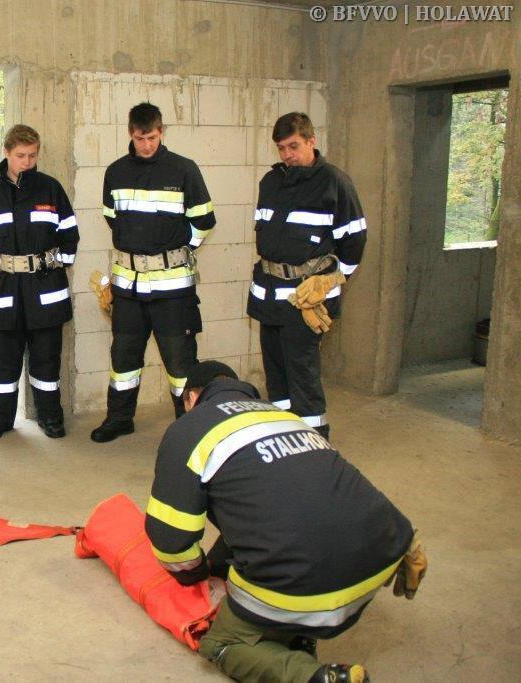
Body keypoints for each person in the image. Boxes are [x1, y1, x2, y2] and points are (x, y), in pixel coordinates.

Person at [146, 361, 426, 683]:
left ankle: (316, 676)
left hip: (307, 583)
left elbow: (170, 539)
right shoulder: (285, 417)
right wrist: (405, 538)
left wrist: (196, 577)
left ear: (192, 397)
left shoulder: (190, 428)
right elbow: (334, 488)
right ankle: (299, 631)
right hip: (382, 554)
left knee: (221, 644)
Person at [91, 102, 216, 444]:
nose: (146, 145)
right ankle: (119, 419)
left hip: (173, 290)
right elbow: (113, 219)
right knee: (123, 359)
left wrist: (178, 249)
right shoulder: (115, 172)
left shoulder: (184, 170)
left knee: (180, 364)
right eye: (139, 138)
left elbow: (205, 220)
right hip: (128, 289)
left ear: (161, 132)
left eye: (152, 138)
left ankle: (188, 428)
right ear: (130, 134)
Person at [247, 112, 367, 439]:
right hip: (270, 298)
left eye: (294, 146)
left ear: (311, 141)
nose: (287, 154)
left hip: (306, 301)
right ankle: (286, 437)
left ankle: (314, 443)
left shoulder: (334, 183)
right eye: (281, 148)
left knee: (302, 376)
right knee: (276, 376)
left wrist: (331, 280)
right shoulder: (271, 182)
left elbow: (354, 242)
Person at [0, 125, 79, 441]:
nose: (27, 162)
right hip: (4, 290)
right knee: (3, 362)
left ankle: (50, 417)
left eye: (32, 155)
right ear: (6, 152)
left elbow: (70, 234)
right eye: (20, 155)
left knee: (46, 361)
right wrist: (5, 267)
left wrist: (54, 265)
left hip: (45, 289)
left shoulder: (51, 189)